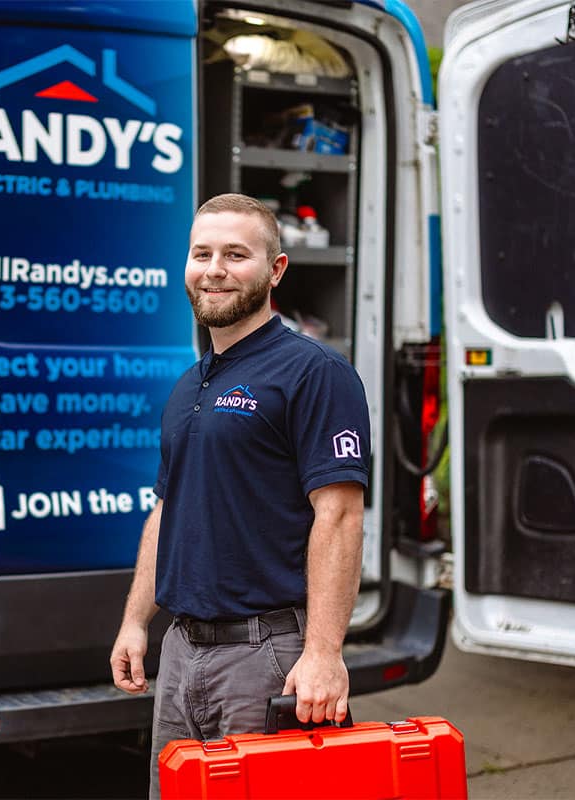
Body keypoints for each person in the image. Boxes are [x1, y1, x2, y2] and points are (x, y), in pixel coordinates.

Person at [109, 193, 370, 798]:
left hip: (266, 655)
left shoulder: (314, 372)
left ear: (275, 271)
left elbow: (339, 514)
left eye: (235, 254)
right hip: (181, 651)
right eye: (202, 253)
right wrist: (135, 621)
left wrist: (325, 653)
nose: (214, 269)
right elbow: (168, 509)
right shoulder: (189, 383)